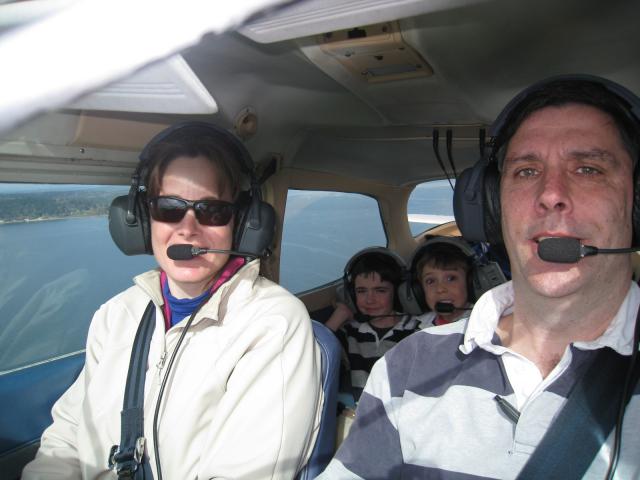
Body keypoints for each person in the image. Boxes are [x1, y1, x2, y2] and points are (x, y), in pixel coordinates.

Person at [319, 75, 640, 479]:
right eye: (526, 171)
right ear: (492, 205)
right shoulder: (407, 366)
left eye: (588, 169)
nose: (550, 193)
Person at [23, 122, 322, 479]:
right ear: (141, 220)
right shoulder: (116, 316)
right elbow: (67, 439)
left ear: (243, 224)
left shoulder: (272, 323)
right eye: (168, 208)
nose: (188, 228)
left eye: (212, 211)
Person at [324, 248, 420, 401]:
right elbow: (317, 356)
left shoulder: (417, 331)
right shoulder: (351, 331)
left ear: (398, 293)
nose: (370, 300)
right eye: (361, 291)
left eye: (380, 290)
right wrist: (338, 317)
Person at [411, 236, 474, 327]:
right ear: (419, 290)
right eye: (430, 281)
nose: (440, 289)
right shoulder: (414, 328)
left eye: (451, 278)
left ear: (470, 283)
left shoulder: (487, 321)